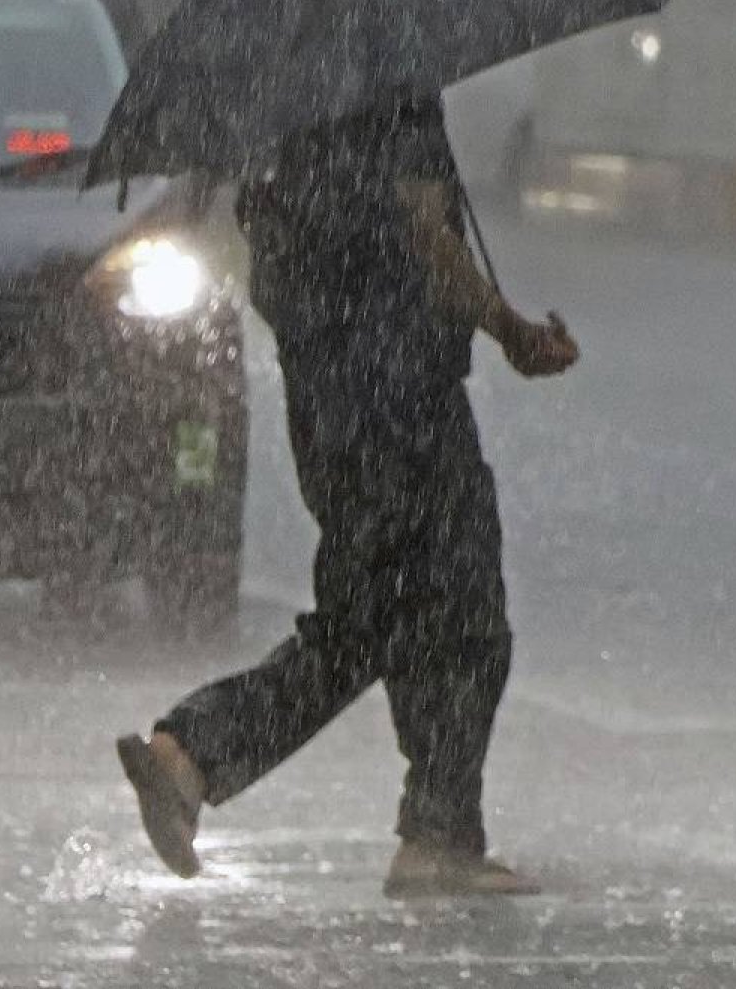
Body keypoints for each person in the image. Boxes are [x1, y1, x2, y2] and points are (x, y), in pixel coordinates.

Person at [116, 97, 579, 896]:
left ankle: (189, 759)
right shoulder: (394, 83)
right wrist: (509, 329)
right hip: (404, 403)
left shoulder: (287, 111)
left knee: (369, 621)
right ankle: (437, 834)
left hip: (330, 409)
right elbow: (428, 234)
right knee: (463, 616)